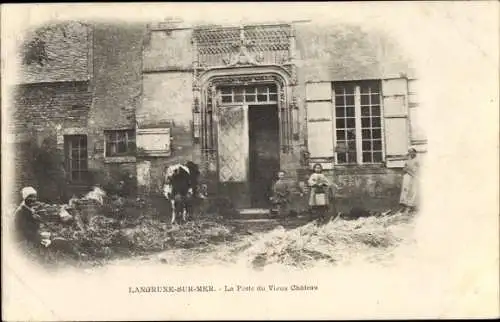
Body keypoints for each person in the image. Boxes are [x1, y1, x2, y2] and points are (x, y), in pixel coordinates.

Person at [399, 147, 420, 214]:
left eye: (412, 152)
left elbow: (416, 170)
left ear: (415, 152)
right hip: (407, 177)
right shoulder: (407, 160)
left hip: (414, 177)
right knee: (405, 190)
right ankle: (404, 207)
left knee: (412, 191)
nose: (411, 153)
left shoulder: (417, 161)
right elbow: (404, 169)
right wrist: (406, 170)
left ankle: (410, 207)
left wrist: (412, 173)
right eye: (409, 152)